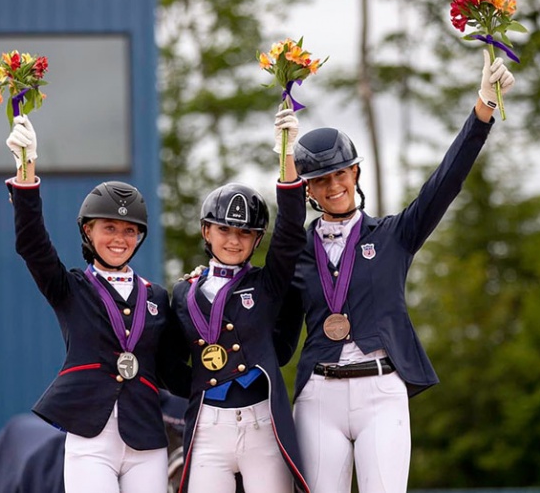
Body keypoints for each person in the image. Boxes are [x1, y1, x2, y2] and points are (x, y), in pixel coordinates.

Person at [277, 49, 516, 493]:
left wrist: (482, 110)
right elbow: (266, 301)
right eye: (321, 181)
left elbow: (445, 183)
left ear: (355, 172)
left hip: (381, 392)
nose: (334, 187)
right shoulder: (296, 252)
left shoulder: (393, 236)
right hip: (318, 396)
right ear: (308, 189)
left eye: (340, 174)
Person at [4, 116, 177, 493]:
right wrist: (26, 173)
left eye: (129, 230)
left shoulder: (159, 298)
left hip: (147, 438)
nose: (120, 238)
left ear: (139, 237)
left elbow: (175, 369)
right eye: (109, 228)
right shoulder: (69, 287)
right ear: (88, 231)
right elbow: (32, 244)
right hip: (90, 437)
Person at [165, 110, 310, 493]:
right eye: (224, 230)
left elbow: (292, 233)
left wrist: (287, 156)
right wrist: (198, 383)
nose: (234, 240)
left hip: (262, 424)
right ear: (205, 231)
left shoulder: (267, 283)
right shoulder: (183, 292)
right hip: (208, 427)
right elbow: (169, 360)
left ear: (257, 240)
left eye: (246, 233)